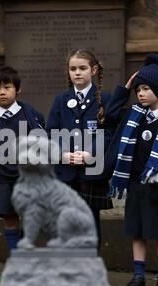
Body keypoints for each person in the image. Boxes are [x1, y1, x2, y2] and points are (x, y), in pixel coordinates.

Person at [105, 54, 158, 286]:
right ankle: (138, 276)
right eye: (138, 89)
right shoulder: (133, 116)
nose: (140, 94)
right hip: (134, 184)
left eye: (145, 89)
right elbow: (109, 114)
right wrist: (125, 88)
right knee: (137, 232)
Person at [46, 49, 116, 248]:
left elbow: (110, 133)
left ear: (93, 70)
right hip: (66, 171)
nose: (77, 72)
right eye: (73, 68)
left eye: (82, 68)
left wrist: (90, 154)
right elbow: (51, 132)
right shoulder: (61, 100)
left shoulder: (105, 99)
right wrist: (63, 154)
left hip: (91, 172)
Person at [0, 66, 45, 252]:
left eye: (7, 87)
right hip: (3, 178)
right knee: (9, 218)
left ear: (17, 89)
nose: (2, 92)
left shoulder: (30, 115)